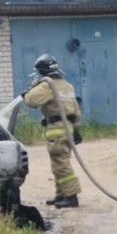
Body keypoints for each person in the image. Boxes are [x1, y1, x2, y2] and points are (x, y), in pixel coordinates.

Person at [22, 53, 83, 209]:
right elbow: (75, 110)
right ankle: (61, 195)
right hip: (68, 127)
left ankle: (71, 197)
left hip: (56, 129)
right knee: (59, 162)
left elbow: (31, 101)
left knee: (61, 164)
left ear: (43, 72)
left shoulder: (47, 85)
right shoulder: (67, 85)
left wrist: (28, 93)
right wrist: (76, 131)